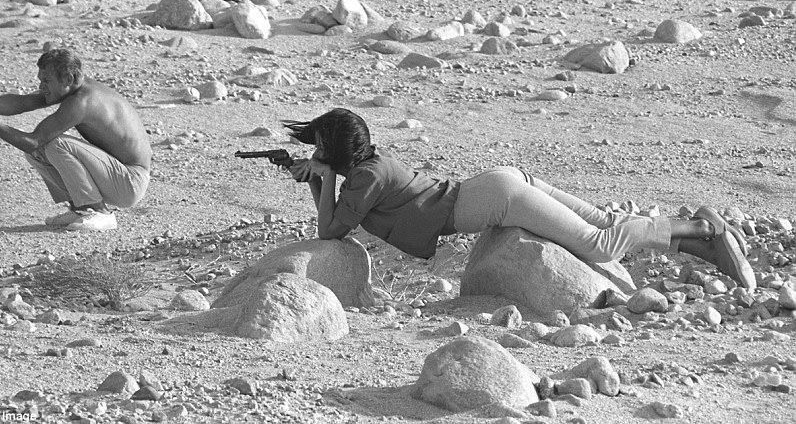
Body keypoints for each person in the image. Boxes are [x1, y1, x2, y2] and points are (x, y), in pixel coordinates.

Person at [283, 108, 756, 290]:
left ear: (338, 152)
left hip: (500, 198)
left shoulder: (362, 179)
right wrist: (318, 176)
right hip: (497, 183)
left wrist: (318, 178)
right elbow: (338, 217)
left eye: (321, 147)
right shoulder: (371, 166)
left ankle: (700, 226)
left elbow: (330, 230)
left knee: (599, 243)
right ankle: (704, 247)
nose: (316, 152)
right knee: (602, 220)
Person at [0, 48, 152, 231]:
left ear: (68, 78)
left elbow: (32, 140)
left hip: (130, 182)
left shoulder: (81, 101)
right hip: (119, 176)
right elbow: (26, 102)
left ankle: (100, 212)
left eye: (46, 81)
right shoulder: (74, 87)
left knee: (54, 144)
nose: (41, 86)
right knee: (39, 152)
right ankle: (80, 208)